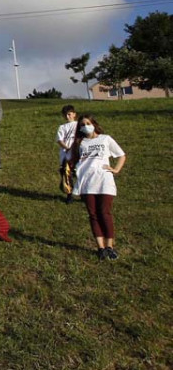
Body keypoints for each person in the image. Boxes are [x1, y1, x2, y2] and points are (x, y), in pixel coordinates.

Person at [71, 114, 126, 261]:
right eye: (82, 125)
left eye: (87, 123)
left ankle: (110, 247)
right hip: (87, 183)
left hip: (104, 181)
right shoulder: (80, 142)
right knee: (93, 215)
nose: (85, 126)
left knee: (105, 213)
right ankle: (100, 248)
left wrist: (116, 169)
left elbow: (121, 155)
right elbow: (74, 161)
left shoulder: (105, 139)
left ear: (94, 124)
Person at [56, 105, 78, 203]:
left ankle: (84, 193)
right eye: (65, 115)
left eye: (69, 114)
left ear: (74, 114)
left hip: (78, 154)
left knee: (80, 173)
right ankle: (69, 194)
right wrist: (67, 148)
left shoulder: (79, 125)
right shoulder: (62, 127)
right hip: (66, 155)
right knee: (67, 174)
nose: (68, 116)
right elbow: (59, 140)